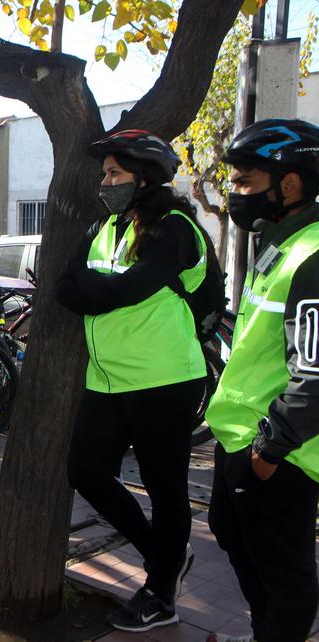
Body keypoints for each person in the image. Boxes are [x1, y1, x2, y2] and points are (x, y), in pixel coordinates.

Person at [57, 130, 207, 632]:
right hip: (107, 377)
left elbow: (131, 286)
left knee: (165, 490)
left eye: (114, 174)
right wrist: (98, 290)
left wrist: (95, 290)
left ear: (144, 177)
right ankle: (163, 555)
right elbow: (63, 285)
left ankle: (161, 594)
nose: (105, 181)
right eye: (105, 173)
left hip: (163, 379)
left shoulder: (175, 226)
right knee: (85, 470)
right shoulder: (105, 225)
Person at [204, 119, 319, 642]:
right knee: (231, 533)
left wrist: (269, 451)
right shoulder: (277, 241)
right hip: (240, 432)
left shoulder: (312, 255)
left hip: (281, 451)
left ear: (289, 184)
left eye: (245, 182)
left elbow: (315, 374)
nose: (235, 194)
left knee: (285, 571)